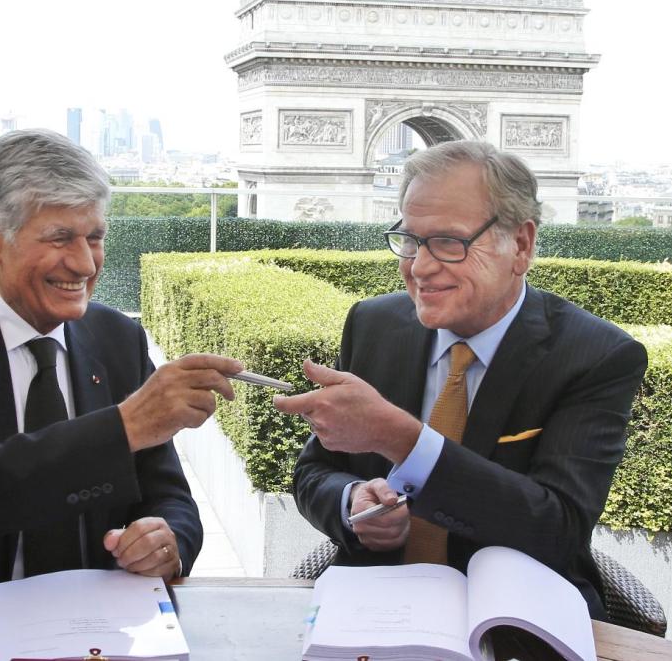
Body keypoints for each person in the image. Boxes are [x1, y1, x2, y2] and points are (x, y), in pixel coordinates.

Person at [0, 129, 242, 614]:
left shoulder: (118, 339)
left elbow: (169, 497)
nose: (84, 263)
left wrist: (167, 541)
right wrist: (122, 428)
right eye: (60, 238)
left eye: (95, 237)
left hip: (95, 624)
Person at [275, 140, 647, 619]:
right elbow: (314, 473)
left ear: (522, 244)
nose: (419, 267)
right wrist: (352, 505)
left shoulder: (595, 355)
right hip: (376, 610)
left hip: (519, 619)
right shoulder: (373, 324)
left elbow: (558, 528)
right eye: (410, 240)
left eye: (450, 242)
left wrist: (402, 440)